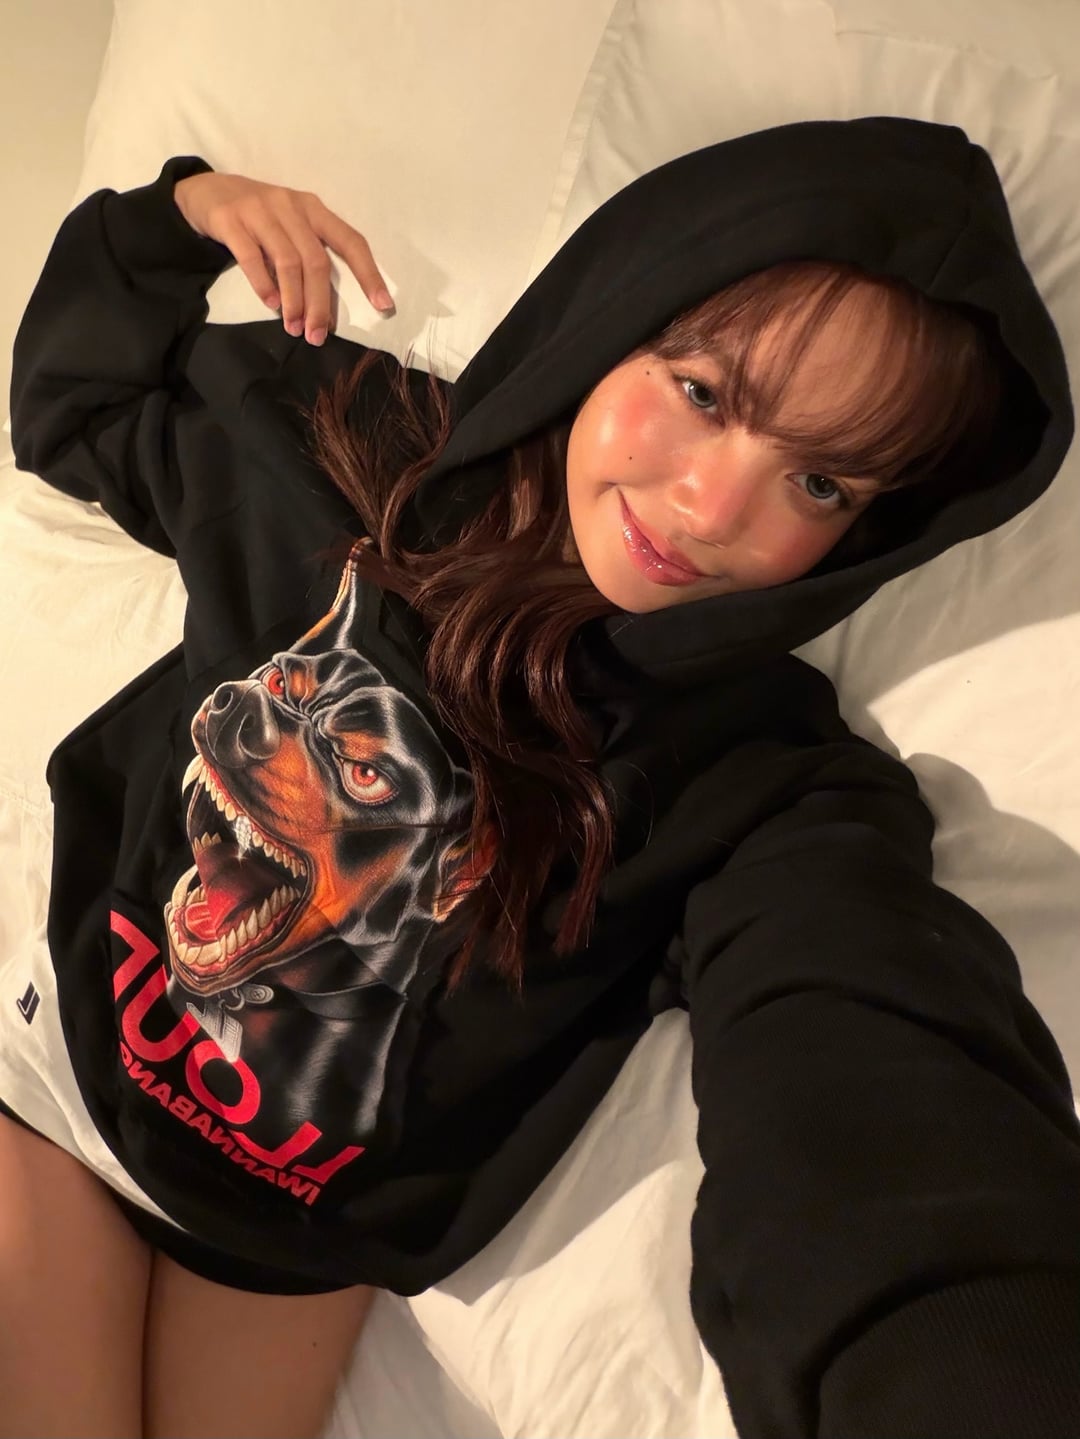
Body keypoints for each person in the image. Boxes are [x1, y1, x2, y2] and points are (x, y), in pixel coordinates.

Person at [4, 115, 1080, 1439]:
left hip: (296, 1248)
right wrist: (177, 222)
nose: (712, 510)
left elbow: (870, 1078)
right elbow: (72, 404)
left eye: (820, 482)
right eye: (703, 393)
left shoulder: (765, 782)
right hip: (61, 1092)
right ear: (614, 313)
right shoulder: (331, 443)